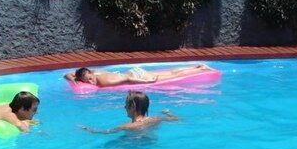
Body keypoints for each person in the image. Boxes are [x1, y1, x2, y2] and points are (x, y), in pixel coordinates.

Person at [81, 91, 178, 134]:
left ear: (133, 107)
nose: (124, 107)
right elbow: (176, 119)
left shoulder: (126, 126)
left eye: (126, 104)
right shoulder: (156, 119)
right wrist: (167, 113)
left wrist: (86, 129)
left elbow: (105, 132)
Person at [64, 63, 212, 87]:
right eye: (87, 81)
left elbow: (127, 79)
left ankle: (200, 70)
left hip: (137, 76)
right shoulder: (95, 71)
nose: (90, 82)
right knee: (171, 72)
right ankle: (197, 66)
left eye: (89, 79)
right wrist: (74, 79)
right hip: (135, 70)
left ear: (90, 74)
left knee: (172, 76)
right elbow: (68, 74)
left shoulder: (103, 81)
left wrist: (146, 82)